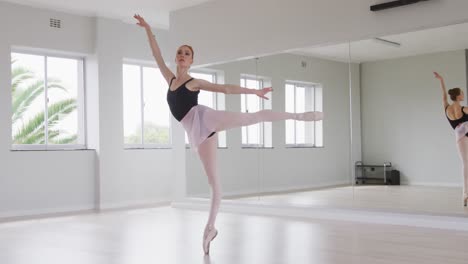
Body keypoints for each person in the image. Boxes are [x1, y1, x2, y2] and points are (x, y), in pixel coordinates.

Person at [134, 14, 324, 254]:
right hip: (196, 133)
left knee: (250, 118)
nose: (182, 55)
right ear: (176, 58)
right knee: (215, 186)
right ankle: (210, 228)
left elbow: (225, 88)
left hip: (203, 118)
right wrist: (148, 29)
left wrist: (254, 90)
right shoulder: (169, 79)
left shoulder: (194, 82)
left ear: (191, 61)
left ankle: (298, 116)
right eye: (180, 52)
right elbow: (156, 55)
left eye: (187, 53)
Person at [434, 72, 468, 207]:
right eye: (462, 93)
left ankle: (465, 195)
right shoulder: (464, 109)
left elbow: (443, 95)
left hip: (459, 139)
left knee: (465, 164)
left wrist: (441, 80)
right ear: (459, 96)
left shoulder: (447, 108)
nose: (464, 94)